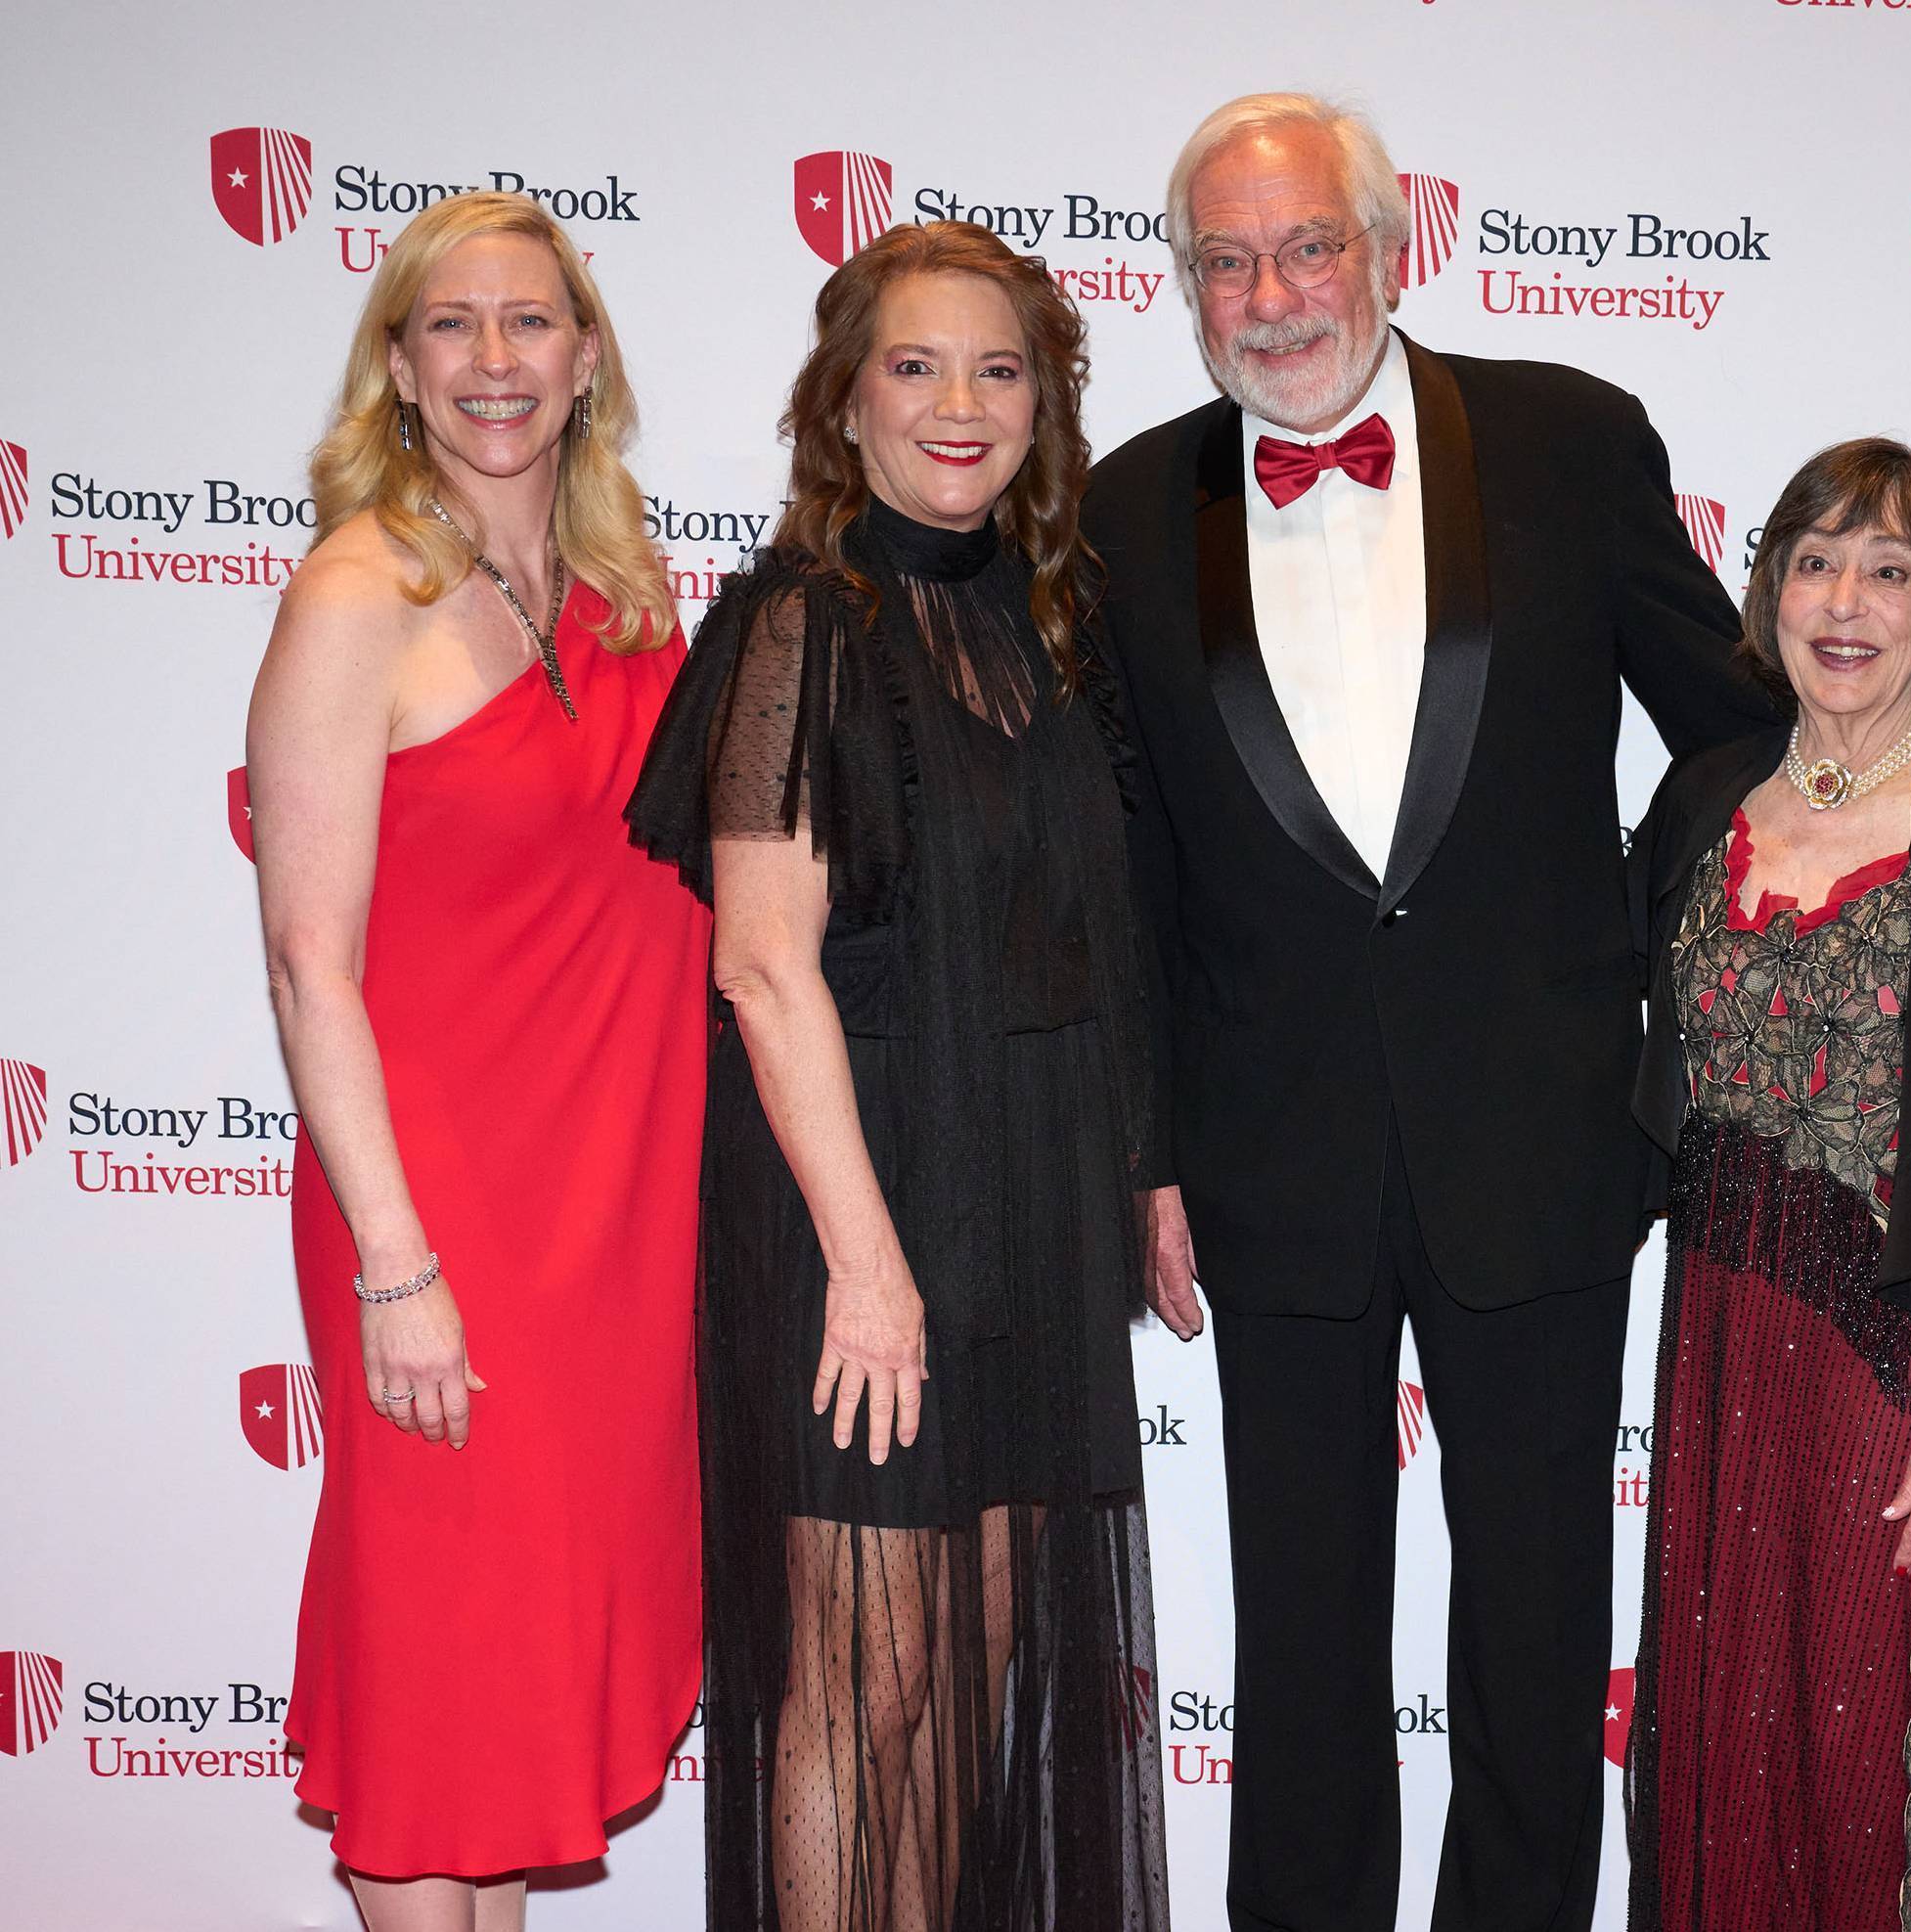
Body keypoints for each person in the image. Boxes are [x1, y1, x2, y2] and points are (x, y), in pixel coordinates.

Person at [1081, 91, 1774, 1932]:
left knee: (1540, 1621)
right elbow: (1132, 861)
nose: (1273, 294)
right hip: (1265, 1153)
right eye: (1225, 260)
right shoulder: (1123, 505)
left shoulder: (1566, 438)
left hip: (1539, 1133)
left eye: (1309, 246)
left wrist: (1618, 974)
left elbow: (1735, 735)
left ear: (1393, 248)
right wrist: (1146, 1151)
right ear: (1186, 289)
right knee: (1302, 1629)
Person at [625, 221, 1168, 1932]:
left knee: (977, 1671)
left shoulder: (1039, 638)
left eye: (999, 369)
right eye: (915, 365)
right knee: (867, 1685)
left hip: (1028, 1213)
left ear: (1043, 409)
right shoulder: (805, 622)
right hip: (860, 1212)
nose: (959, 403)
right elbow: (764, 968)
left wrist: (1141, 1177)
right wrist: (867, 1271)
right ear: (843, 406)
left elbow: (1090, 945)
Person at [247, 192, 703, 1929]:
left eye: (530, 323)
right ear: (401, 365)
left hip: (612, 1229)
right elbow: (306, 962)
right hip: (438, 1223)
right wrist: (395, 1267)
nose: (494, 361)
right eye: (453, 326)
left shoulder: (633, 594)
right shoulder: (359, 592)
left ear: (586, 360)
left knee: (512, 1690)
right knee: (436, 1683)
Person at [1622, 439, 1911, 1932]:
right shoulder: (1697, 807)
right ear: (1770, 591)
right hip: (1718, 1352)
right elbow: (1616, 1082)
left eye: (1892, 568)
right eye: (1816, 559)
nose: (1847, 600)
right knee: (1724, 1734)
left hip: (1897, 1370)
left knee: (1879, 1753)